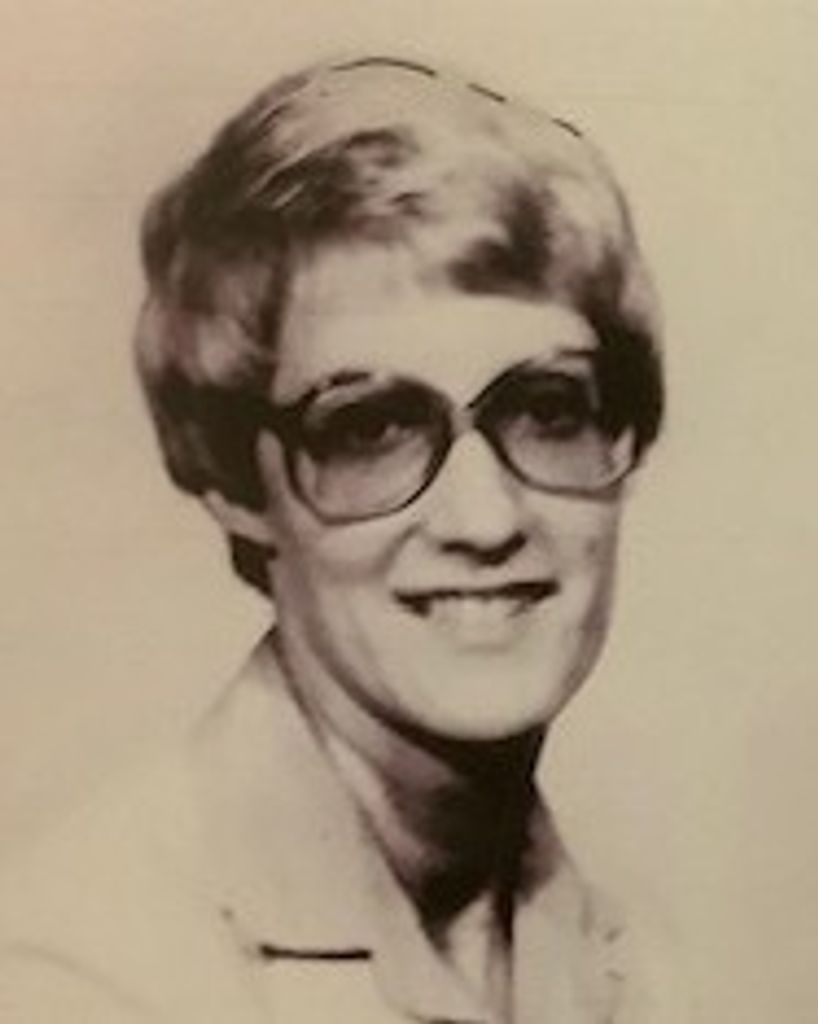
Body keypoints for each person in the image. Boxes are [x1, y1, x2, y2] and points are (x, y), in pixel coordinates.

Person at [0, 55, 683, 1023]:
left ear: (626, 437)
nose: (485, 520)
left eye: (545, 409)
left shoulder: (633, 965)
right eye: (369, 428)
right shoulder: (85, 979)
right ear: (236, 482)